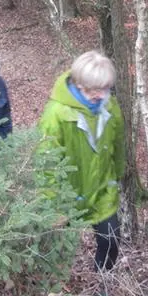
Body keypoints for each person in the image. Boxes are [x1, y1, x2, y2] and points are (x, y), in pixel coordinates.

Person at [38, 50, 125, 271]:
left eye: (105, 88)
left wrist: (117, 175)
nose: (100, 95)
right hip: (67, 194)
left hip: (102, 189)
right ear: (79, 84)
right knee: (60, 251)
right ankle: (61, 292)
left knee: (111, 241)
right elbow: (45, 164)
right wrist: (53, 202)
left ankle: (101, 283)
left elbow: (117, 145)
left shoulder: (110, 107)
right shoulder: (56, 115)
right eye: (94, 90)